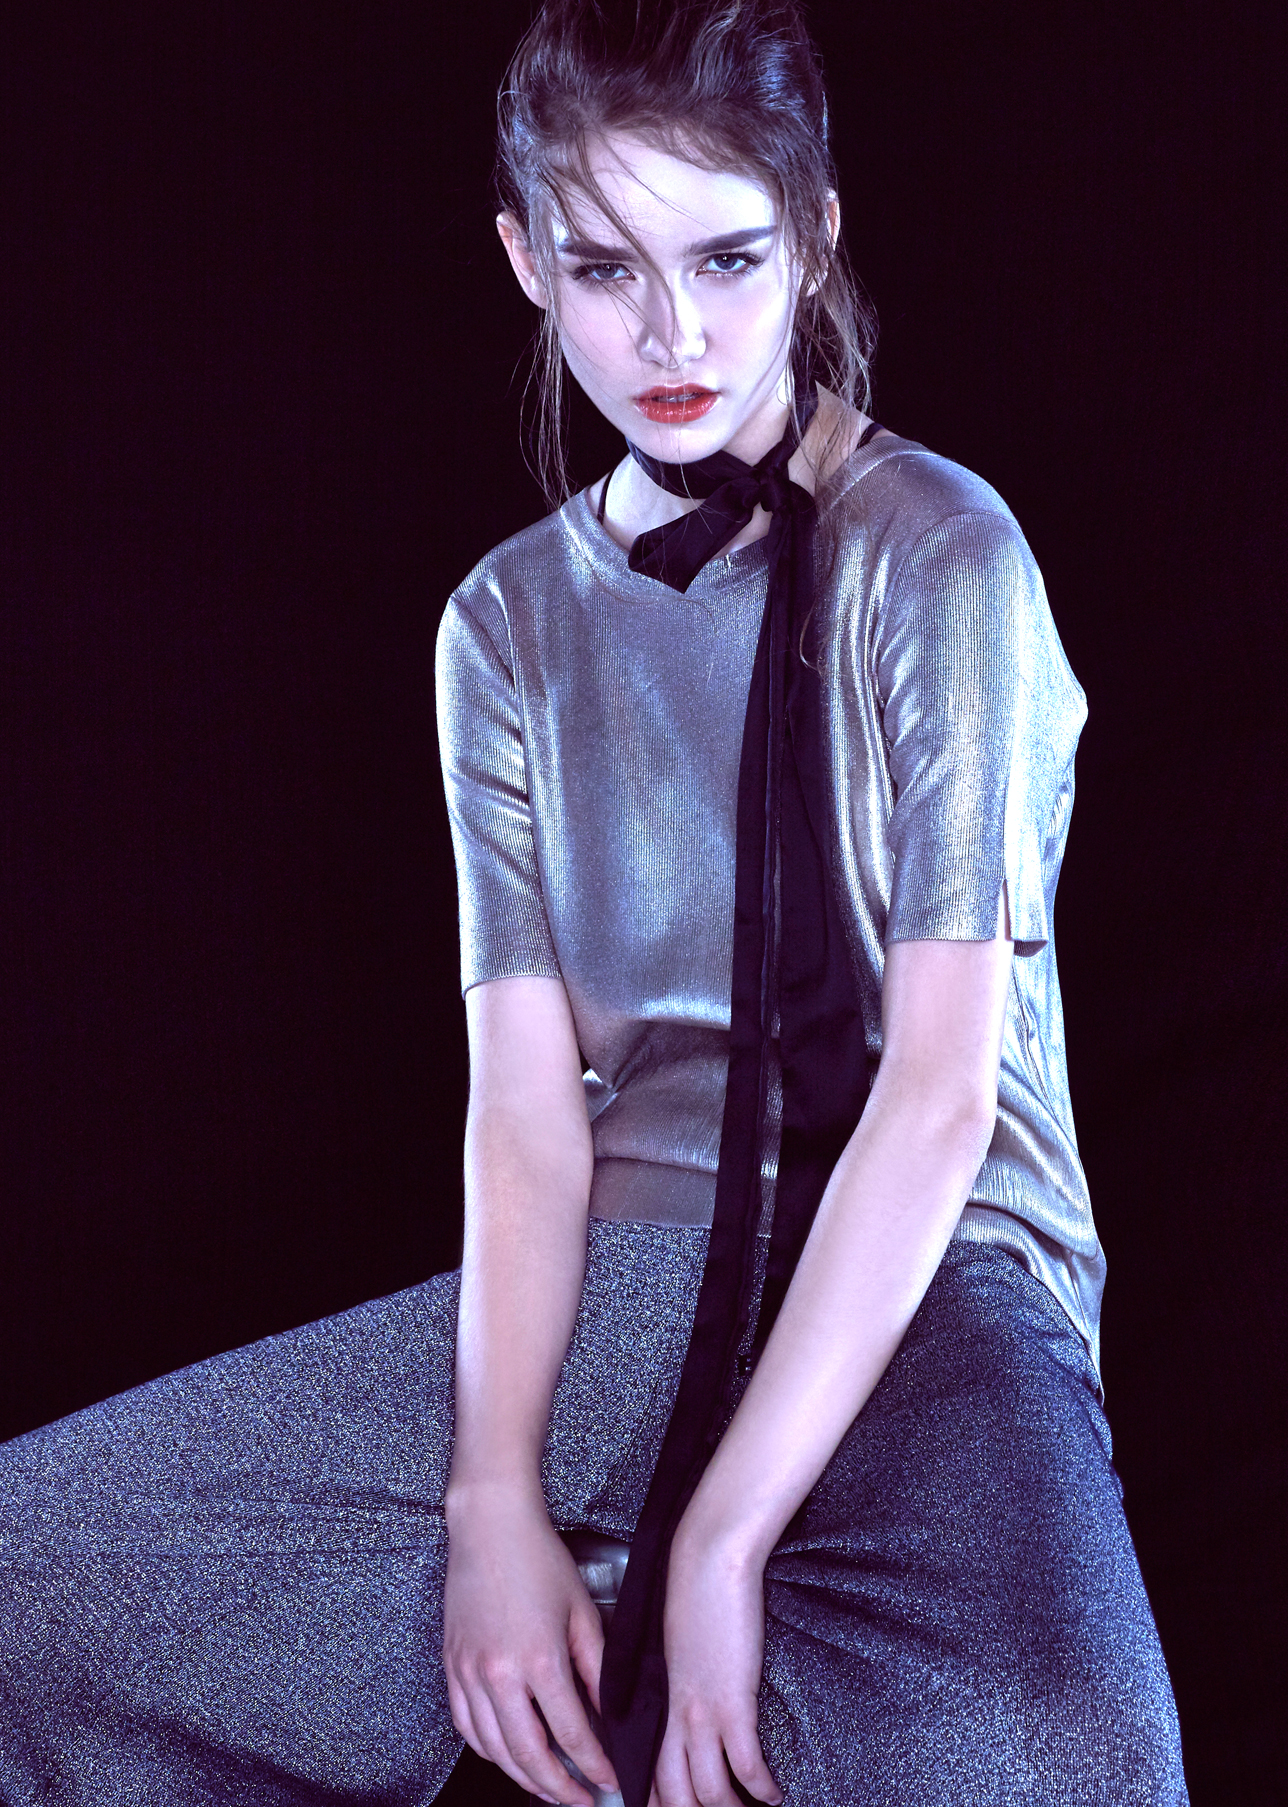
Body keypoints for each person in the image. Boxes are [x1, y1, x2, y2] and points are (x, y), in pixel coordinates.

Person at [0, 3, 1188, 1804]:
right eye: (606, 269)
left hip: (931, 1285)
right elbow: (527, 1118)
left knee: (1075, 1751)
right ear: (524, 261)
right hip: (622, 1301)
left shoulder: (942, 556)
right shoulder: (504, 626)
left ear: (816, 236)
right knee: (43, 1574)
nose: (674, 336)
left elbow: (944, 1100)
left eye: (727, 259)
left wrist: (720, 1539)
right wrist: (491, 1497)